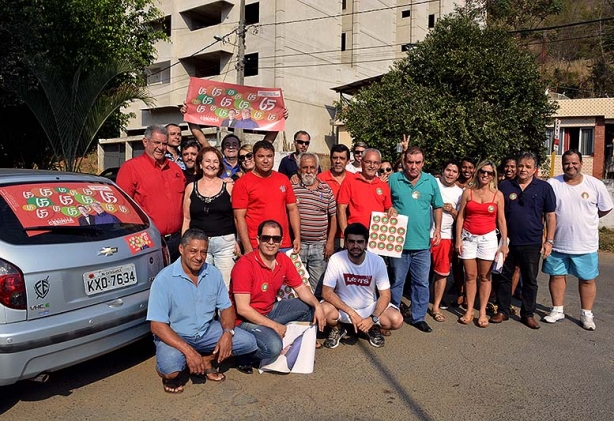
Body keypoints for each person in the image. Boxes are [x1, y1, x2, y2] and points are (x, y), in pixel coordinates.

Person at [147, 229, 258, 393]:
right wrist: (189, 352)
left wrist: (227, 333)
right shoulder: (164, 279)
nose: (199, 257)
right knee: (171, 370)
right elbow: (156, 326)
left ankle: (206, 360)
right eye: (193, 251)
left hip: (206, 331)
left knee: (249, 342)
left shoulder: (213, 273)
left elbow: (226, 308)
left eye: (203, 252)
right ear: (181, 249)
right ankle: (181, 365)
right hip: (176, 335)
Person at [230, 220, 326, 371]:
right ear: (258, 240)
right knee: (273, 348)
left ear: (281, 241)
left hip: (269, 311)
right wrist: (274, 326)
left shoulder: (283, 260)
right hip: (243, 320)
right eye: (266, 238)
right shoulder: (244, 265)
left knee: (309, 306)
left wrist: (318, 305)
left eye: (275, 239)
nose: (270, 242)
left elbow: (301, 288)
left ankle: (274, 337)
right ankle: (243, 354)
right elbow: (243, 309)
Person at [542, 150, 613, 331]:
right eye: (567, 163)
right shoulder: (552, 184)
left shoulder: (595, 184)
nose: (570, 166)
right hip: (557, 242)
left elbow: (605, 208)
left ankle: (586, 314)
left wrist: (588, 218)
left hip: (585, 243)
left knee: (587, 279)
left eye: (574, 163)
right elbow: (546, 211)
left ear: (581, 164)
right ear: (562, 164)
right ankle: (557, 310)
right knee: (556, 275)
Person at [492, 151, 556, 329]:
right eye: (520, 165)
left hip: (532, 241)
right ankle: (502, 310)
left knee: (530, 279)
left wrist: (549, 241)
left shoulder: (544, 188)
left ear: (535, 169)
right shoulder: (505, 186)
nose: (523, 169)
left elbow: (550, 216)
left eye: (528, 166)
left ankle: (527, 314)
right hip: (507, 241)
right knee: (504, 277)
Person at [320, 223, 403, 349]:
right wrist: (352, 313)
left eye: (360, 242)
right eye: (351, 241)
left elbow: (385, 295)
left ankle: (372, 328)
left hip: (369, 307)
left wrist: (373, 318)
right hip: (343, 309)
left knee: (396, 319)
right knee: (321, 311)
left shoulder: (377, 261)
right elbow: (326, 292)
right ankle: (338, 328)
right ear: (346, 242)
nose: (355, 246)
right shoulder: (336, 259)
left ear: (366, 243)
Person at [388, 146, 443, 333]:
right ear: (404, 162)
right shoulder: (393, 179)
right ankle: (393, 313)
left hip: (422, 243)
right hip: (398, 243)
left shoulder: (431, 181)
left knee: (421, 282)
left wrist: (438, 230)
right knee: (397, 280)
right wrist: (389, 209)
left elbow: (437, 206)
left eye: (417, 162)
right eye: (410, 162)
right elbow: (383, 202)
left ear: (423, 163)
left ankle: (419, 317)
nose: (413, 166)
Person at [117, 125, 185, 261]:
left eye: (164, 144)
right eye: (157, 143)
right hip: (148, 241)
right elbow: (122, 208)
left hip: (177, 241)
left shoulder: (175, 169)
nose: (161, 147)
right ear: (145, 142)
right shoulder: (130, 168)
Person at [455, 160, 508, 328]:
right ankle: (470, 309)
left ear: (493, 175)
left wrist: (504, 244)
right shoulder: (468, 193)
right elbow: (461, 217)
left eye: (489, 173)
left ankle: (483, 311)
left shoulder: (497, 195)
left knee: (485, 277)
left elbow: (501, 220)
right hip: (468, 238)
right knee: (470, 276)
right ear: (478, 173)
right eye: (483, 172)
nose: (485, 175)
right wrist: (458, 240)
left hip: (488, 239)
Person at [182, 147, 238, 289]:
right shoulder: (190, 187)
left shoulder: (229, 186)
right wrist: (185, 245)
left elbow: (238, 218)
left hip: (225, 244)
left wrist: (239, 242)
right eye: (207, 161)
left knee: (224, 287)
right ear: (200, 164)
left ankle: (222, 312)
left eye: (215, 161)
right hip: (198, 245)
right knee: (200, 285)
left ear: (220, 165)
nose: (211, 165)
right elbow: (186, 219)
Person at [232, 140, 301, 254]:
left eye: (269, 156)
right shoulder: (242, 183)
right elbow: (239, 218)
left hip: (283, 244)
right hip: (257, 245)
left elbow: (293, 209)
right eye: (261, 156)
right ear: (254, 158)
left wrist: (297, 237)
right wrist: (247, 247)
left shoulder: (283, 179)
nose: (265, 160)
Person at [292, 152, 337, 292]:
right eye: (305, 167)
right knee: (298, 287)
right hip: (298, 245)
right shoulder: (292, 188)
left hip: (319, 246)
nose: (309, 171)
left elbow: (333, 216)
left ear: (317, 169)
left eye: (312, 167)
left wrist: (330, 242)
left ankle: (317, 313)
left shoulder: (326, 189)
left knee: (318, 287)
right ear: (299, 169)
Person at [429, 160, 463, 322]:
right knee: (419, 273)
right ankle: (417, 304)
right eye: (448, 170)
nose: (450, 174)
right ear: (442, 171)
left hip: (446, 237)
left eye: (454, 171)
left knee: (441, 273)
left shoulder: (460, 193)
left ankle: (435, 307)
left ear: (458, 175)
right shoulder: (432, 182)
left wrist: (453, 211)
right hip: (424, 234)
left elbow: (462, 218)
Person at [337, 148, 393, 234]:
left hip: (376, 237)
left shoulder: (383, 185)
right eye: (368, 162)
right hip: (355, 235)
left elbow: (387, 209)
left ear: (379, 165)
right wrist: (346, 234)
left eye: (376, 163)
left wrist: (392, 211)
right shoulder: (350, 181)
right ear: (361, 162)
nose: (372, 166)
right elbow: (341, 208)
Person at [318, 144, 353, 250]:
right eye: (335, 158)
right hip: (326, 236)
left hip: (349, 235)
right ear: (330, 159)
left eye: (342, 158)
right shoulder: (320, 179)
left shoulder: (354, 179)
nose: (338, 161)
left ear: (348, 161)